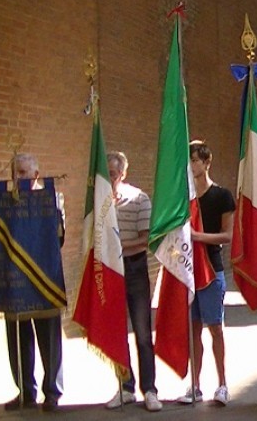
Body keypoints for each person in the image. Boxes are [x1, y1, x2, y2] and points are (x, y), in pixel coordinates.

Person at [4, 153, 64, 412]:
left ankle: (52, 391)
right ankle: (25, 391)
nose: (19, 178)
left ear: (36, 175)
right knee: (18, 339)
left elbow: (57, 238)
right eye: (16, 173)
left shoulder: (52, 198)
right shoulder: (3, 202)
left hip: (44, 281)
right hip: (14, 281)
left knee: (49, 339)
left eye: (23, 173)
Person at [177, 140, 234, 406]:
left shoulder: (221, 196)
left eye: (195, 161)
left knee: (215, 328)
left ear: (206, 163)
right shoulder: (181, 198)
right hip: (186, 270)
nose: (191, 166)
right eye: (188, 161)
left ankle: (222, 384)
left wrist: (197, 236)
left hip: (211, 269)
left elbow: (228, 235)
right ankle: (195, 385)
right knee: (193, 329)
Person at [104, 152, 162, 412]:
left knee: (141, 332)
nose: (110, 178)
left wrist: (117, 246)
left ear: (123, 174)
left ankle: (149, 389)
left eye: (114, 174)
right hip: (109, 270)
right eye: (106, 174)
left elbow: (146, 239)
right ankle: (125, 387)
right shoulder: (100, 201)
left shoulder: (139, 198)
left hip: (134, 267)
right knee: (116, 332)